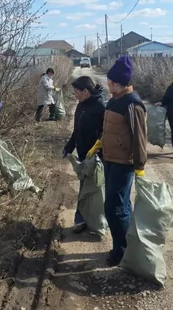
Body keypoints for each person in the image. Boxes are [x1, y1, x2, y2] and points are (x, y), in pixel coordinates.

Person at [86, 56, 147, 267]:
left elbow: (139, 137)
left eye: (110, 81)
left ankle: (121, 251)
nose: (107, 84)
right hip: (110, 159)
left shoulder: (132, 104)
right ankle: (127, 247)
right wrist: (99, 143)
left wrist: (139, 166)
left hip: (124, 163)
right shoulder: (114, 99)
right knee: (121, 206)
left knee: (114, 208)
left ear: (118, 83)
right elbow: (110, 128)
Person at [63, 76, 106, 234]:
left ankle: (83, 219)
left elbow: (106, 131)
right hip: (83, 154)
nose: (74, 93)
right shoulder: (81, 105)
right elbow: (77, 129)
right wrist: (70, 145)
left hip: (95, 155)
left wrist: (98, 148)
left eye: (76, 91)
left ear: (86, 91)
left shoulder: (100, 106)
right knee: (86, 186)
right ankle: (86, 219)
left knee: (90, 189)